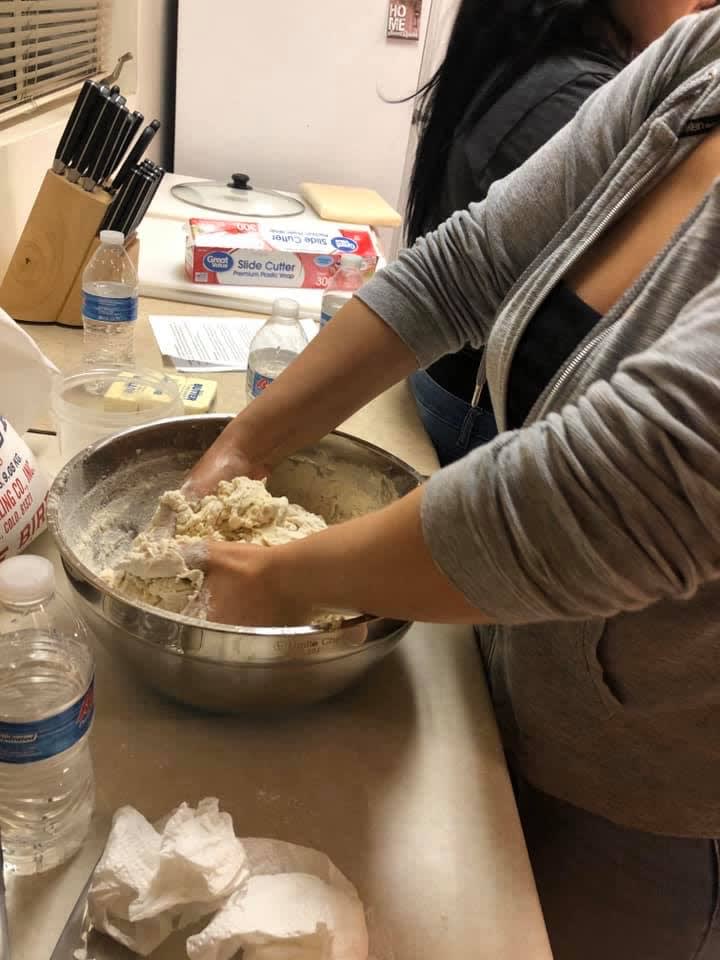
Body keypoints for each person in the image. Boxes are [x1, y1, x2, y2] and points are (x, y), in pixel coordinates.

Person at [183, 10, 720, 959]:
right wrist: (245, 445)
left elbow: (627, 484)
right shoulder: (699, 60)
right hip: (502, 655)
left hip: (640, 779)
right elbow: (465, 265)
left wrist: (280, 578)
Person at [405, 0, 715, 466]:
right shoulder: (579, 91)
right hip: (479, 413)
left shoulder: (535, 67)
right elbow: (463, 268)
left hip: (461, 391)